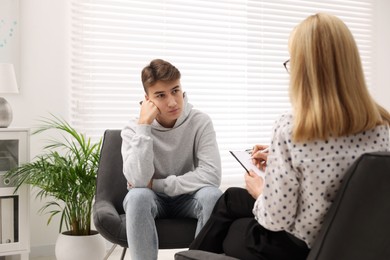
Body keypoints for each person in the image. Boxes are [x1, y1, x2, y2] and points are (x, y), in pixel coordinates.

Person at [189, 13, 390, 260]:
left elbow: (275, 219)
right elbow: (341, 174)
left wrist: (261, 191)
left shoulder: (291, 128)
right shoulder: (383, 126)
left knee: (231, 229)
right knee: (230, 198)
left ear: (304, 70)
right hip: (352, 243)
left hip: (301, 246)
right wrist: (280, 159)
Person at [121, 59, 222, 260]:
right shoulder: (133, 129)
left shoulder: (200, 122)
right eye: (160, 95)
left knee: (213, 195)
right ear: (147, 99)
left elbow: (212, 175)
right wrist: (144, 127)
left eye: (175, 90)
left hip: (188, 197)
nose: (172, 102)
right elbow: (139, 183)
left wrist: (157, 184)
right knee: (137, 196)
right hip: (152, 200)